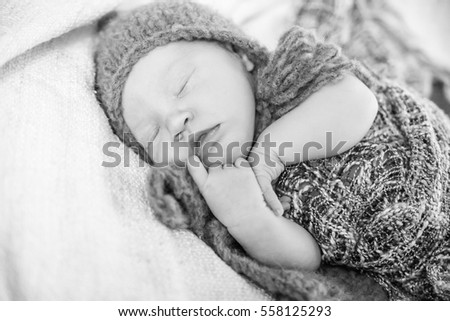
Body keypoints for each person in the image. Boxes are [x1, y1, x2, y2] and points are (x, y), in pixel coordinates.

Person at [95, 1, 450, 300]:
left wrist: (268, 157)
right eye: (152, 132)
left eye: (182, 84)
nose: (174, 121)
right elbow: (308, 259)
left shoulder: (288, 80)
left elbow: (357, 103)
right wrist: (249, 217)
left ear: (240, 56)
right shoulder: (220, 194)